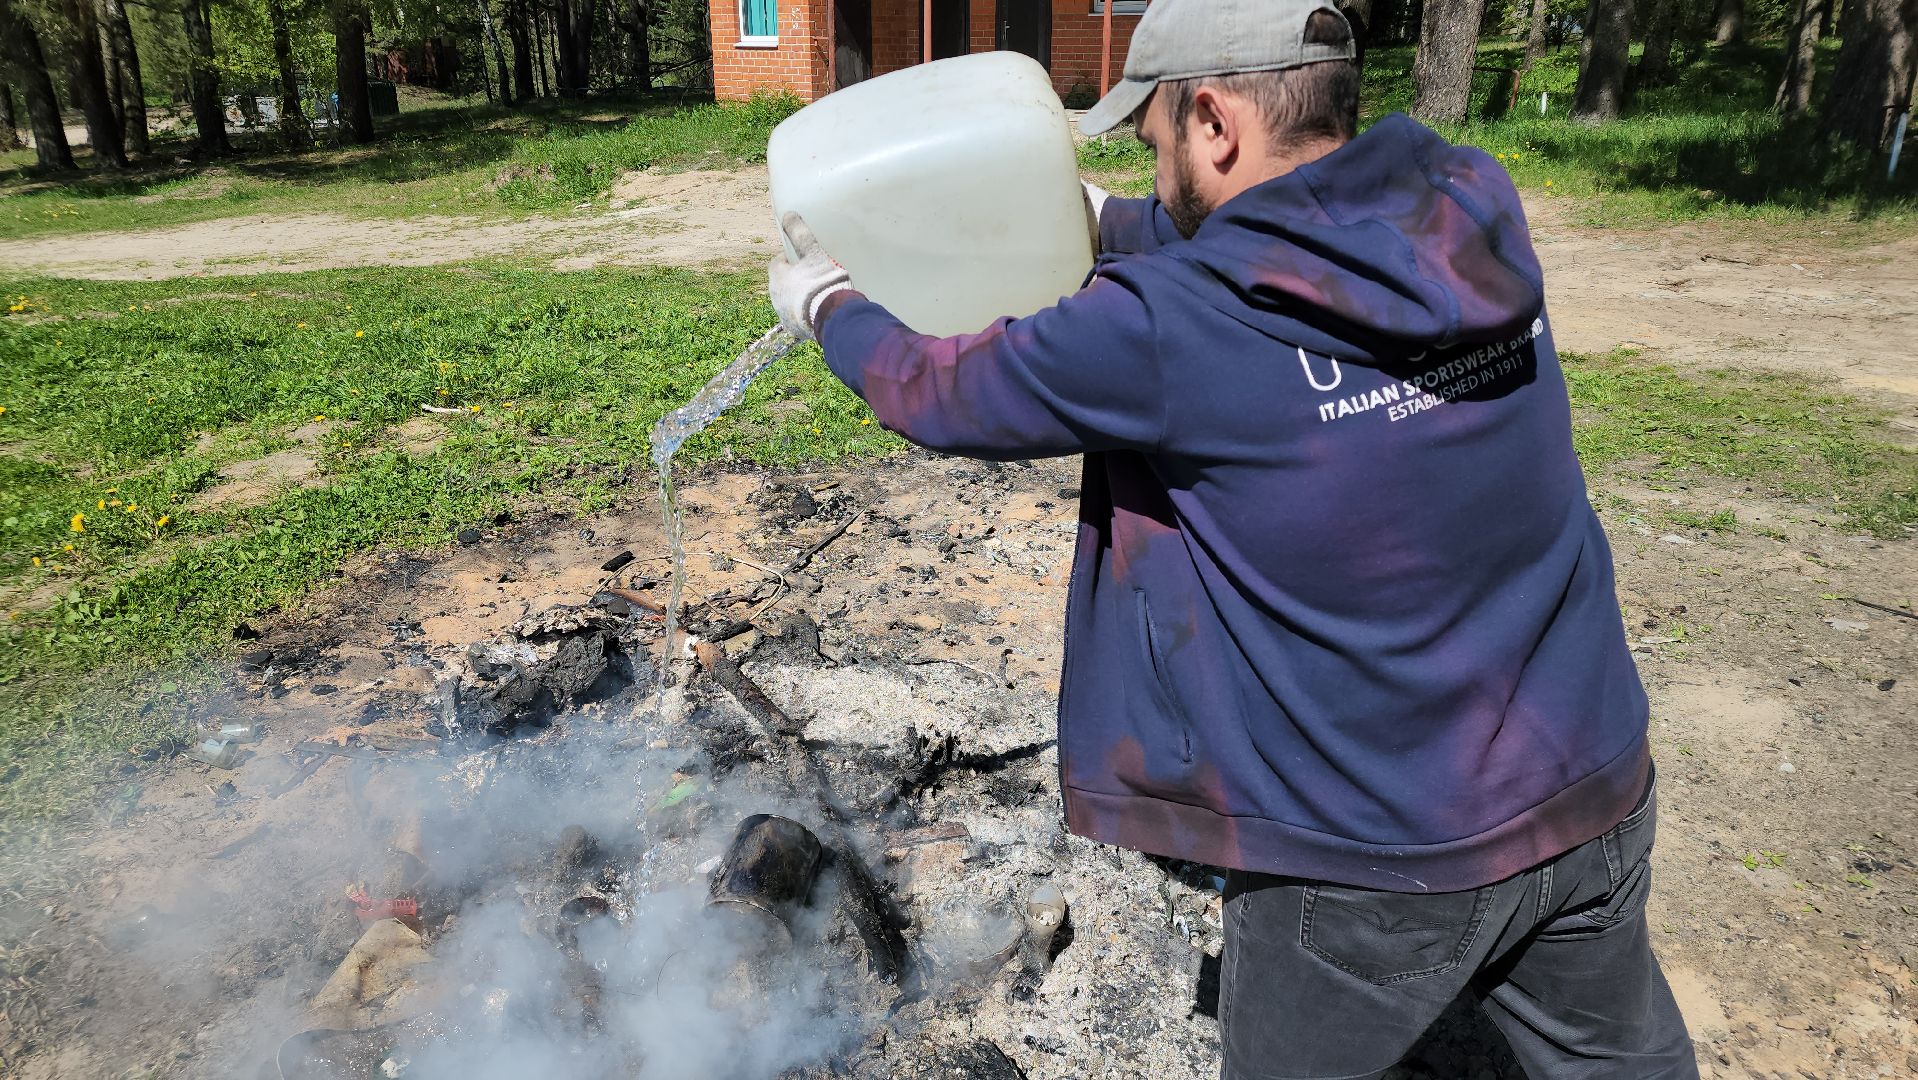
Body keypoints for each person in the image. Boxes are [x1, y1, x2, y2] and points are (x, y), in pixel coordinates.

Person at [768, 1, 1697, 1076]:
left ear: (1211, 120)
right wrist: (1109, 217)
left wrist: (830, 303)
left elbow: (944, 389)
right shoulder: (1465, 206)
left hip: (1373, 852)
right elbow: (1291, 233)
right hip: (1588, 778)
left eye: (1154, 139)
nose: (1152, 163)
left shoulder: (1166, 326)